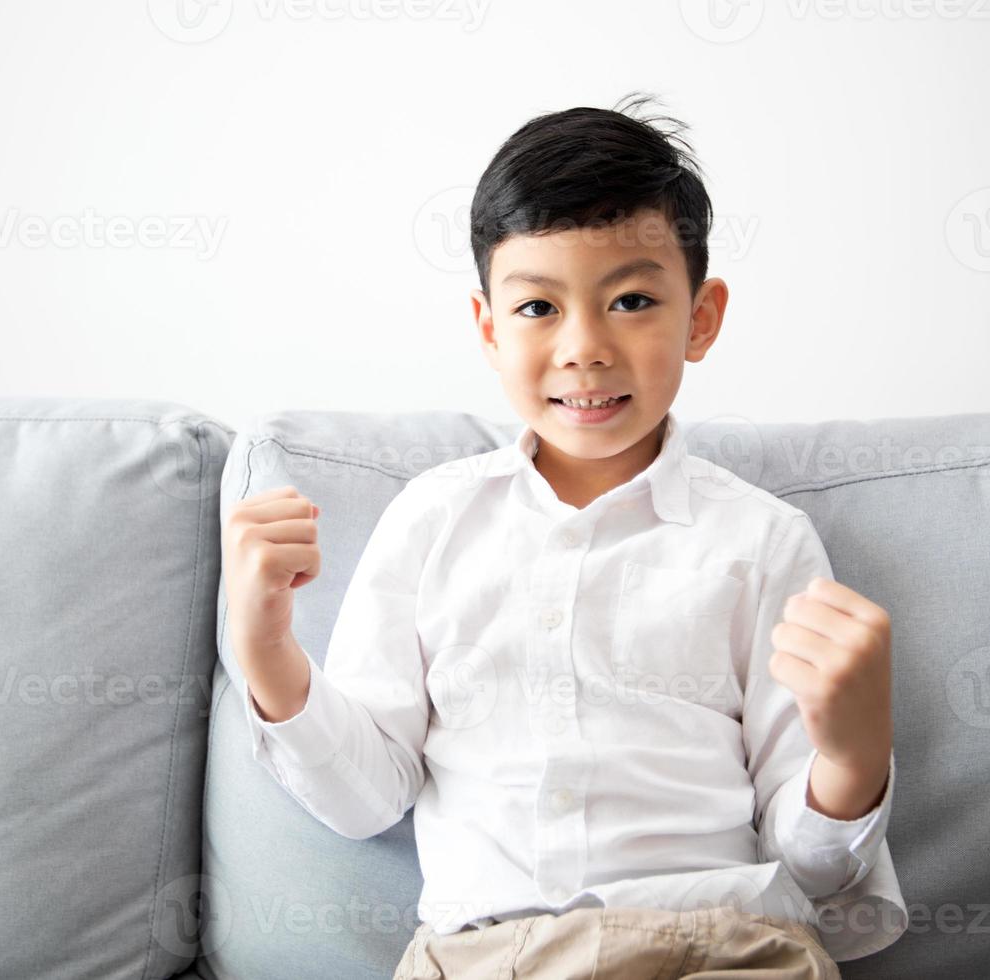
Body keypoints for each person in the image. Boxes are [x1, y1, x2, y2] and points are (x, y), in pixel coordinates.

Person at [221, 91, 906, 979]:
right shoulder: (434, 521)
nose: (584, 347)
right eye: (539, 309)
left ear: (700, 318)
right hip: (486, 957)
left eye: (630, 300)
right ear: (488, 328)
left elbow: (810, 863)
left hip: (721, 945)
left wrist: (854, 752)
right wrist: (267, 653)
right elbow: (366, 799)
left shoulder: (763, 541)